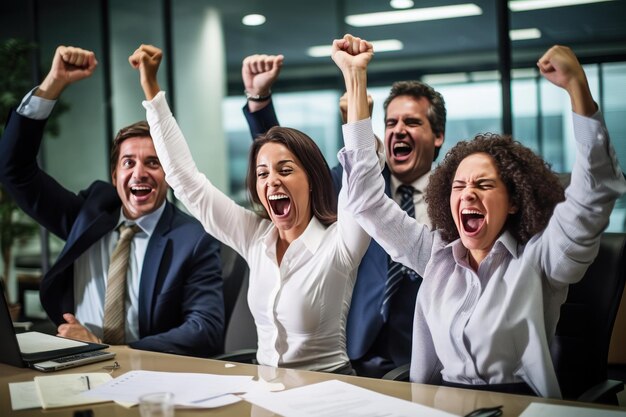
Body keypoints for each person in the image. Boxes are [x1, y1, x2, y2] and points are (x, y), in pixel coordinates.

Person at [335, 35, 626, 397]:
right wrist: (355, 77)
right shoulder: (437, 256)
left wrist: (579, 91)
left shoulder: (542, 259)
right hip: (440, 404)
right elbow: (364, 199)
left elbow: (594, 192)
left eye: (484, 185)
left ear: (515, 200)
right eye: (458, 186)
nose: (468, 193)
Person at [129, 44, 370, 374]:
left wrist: (355, 77)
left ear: (312, 180)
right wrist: (152, 91)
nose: (272, 181)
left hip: (327, 393)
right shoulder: (256, 236)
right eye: (262, 173)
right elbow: (185, 181)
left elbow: (362, 178)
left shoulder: (340, 242)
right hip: (265, 394)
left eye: (285, 170)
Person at [0, 45, 225, 358]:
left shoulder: (194, 240)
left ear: (169, 174)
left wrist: (115, 350)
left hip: (149, 377)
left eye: (153, 163)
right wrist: (53, 83)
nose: (139, 173)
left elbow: (206, 330)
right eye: (129, 162)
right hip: (75, 363)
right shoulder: (88, 214)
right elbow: (14, 170)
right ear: (114, 173)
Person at [241, 53, 447, 377]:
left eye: (412, 122)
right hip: (351, 352)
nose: (399, 131)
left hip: (423, 353)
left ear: (438, 136)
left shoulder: (457, 200)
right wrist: (259, 101)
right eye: (391, 123)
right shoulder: (347, 188)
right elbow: (285, 164)